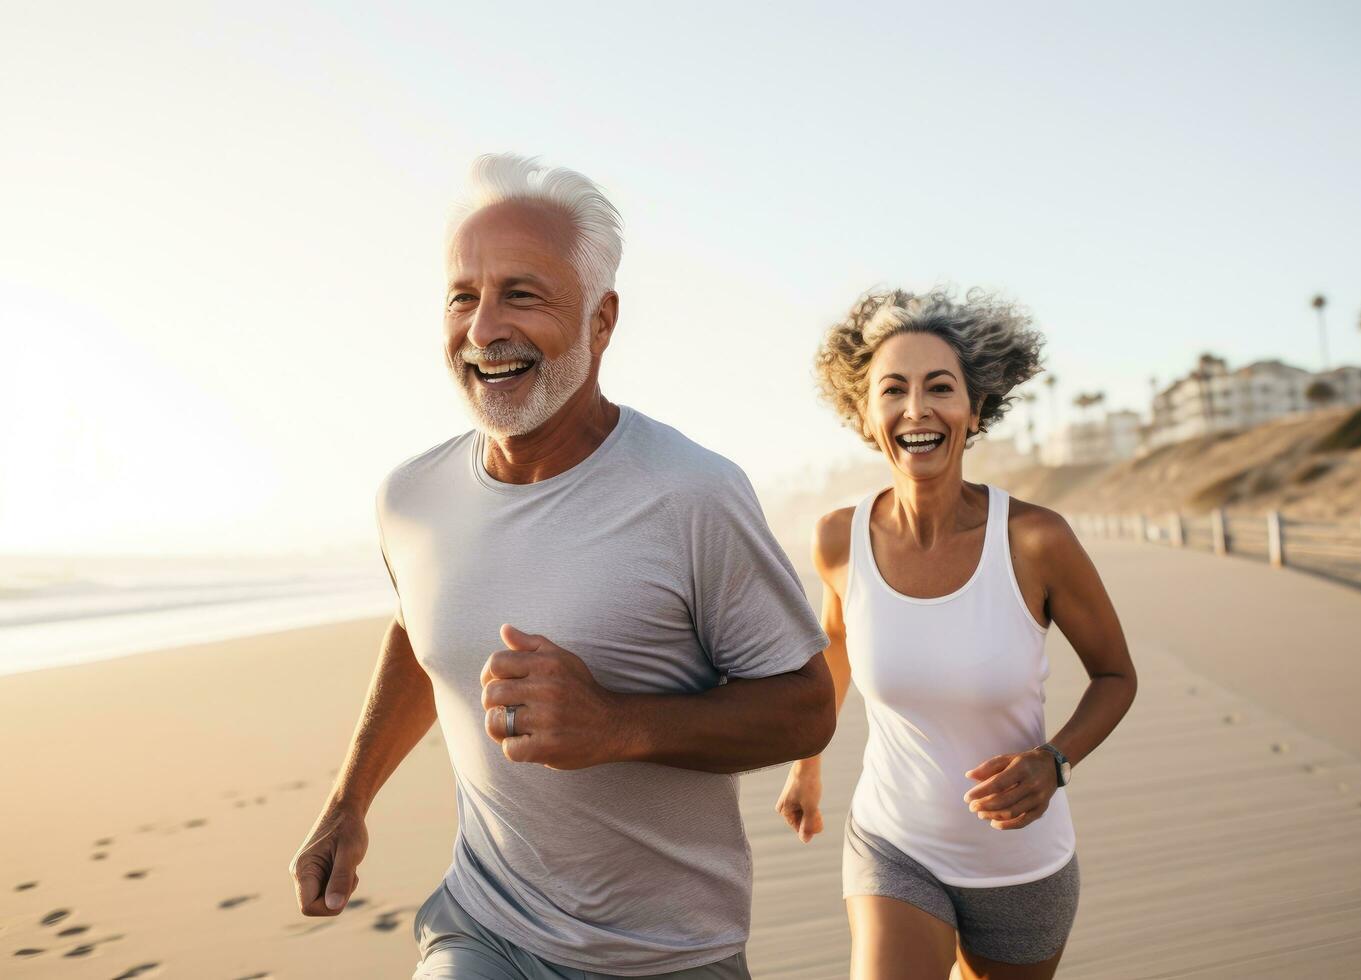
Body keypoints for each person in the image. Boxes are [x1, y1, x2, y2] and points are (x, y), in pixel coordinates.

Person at [288, 153, 836, 980]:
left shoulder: (694, 494)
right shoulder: (411, 497)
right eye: (462, 297)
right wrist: (347, 802)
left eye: (522, 293)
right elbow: (420, 630)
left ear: (602, 320)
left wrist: (618, 724)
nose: (482, 329)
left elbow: (805, 708)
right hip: (483, 926)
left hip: (669, 955)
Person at [774, 288, 1138, 980]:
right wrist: (807, 763)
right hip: (893, 844)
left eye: (940, 388)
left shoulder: (1035, 540)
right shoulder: (837, 540)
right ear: (864, 414)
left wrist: (1055, 761)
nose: (917, 409)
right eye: (893, 390)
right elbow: (836, 648)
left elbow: (1116, 676)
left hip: (1021, 864)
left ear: (975, 412)